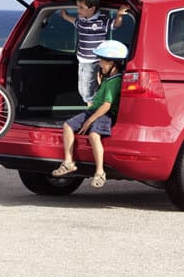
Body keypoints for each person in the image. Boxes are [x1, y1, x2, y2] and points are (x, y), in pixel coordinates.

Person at [51, 40, 128, 188]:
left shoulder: (115, 81)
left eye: (102, 61)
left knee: (94, 135)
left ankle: (100, 172)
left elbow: (106, 105)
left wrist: (89, 121)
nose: (99, 64)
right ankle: (68, 162)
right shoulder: (108, 78)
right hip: (93, 110)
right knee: (68, 125)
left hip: (105, 114)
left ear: (112, 63)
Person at [59, 0, 128, 105]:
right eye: (78, 7)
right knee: (82, 89)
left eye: (81, 7)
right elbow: (75, 22)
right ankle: (93, 104)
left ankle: (93, 107)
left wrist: (119, 15)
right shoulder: (82, 20)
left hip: (93, 61)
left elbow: (116, 24)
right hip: (82, 60)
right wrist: (66, 16)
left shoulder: (101, 21)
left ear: (92, 8)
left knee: (87, 92)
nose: (78, 10)